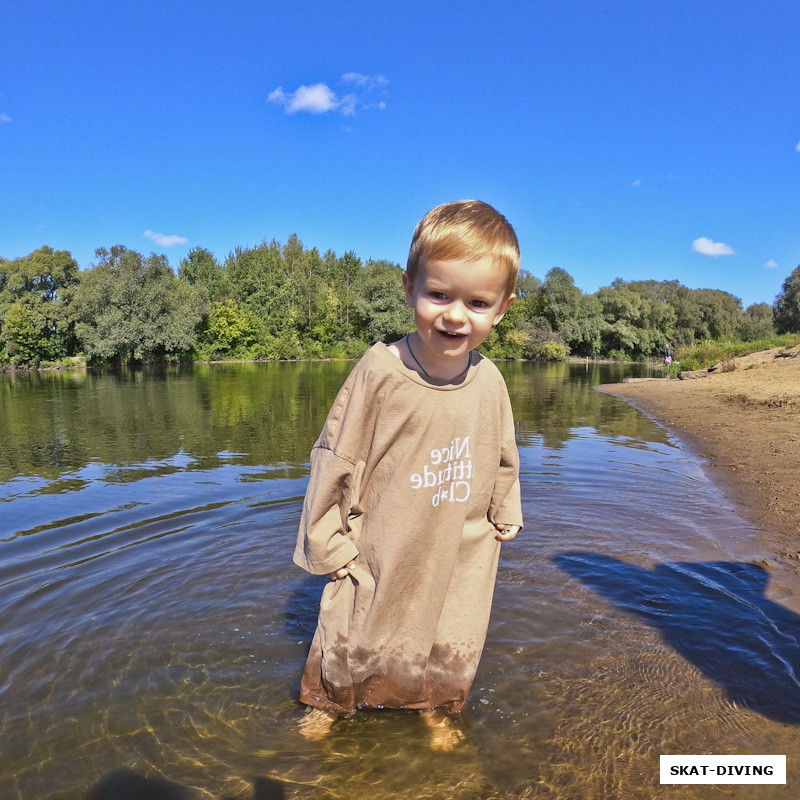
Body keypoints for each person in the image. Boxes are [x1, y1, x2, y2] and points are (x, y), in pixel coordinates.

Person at [293, 200, 523, 749]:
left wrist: (504, 509)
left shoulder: (490, 380)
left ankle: (436, 705)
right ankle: (330, 701)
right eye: (438, 294)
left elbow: (503, 452)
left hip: (459, 538)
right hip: (381, 537)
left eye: (477, 302)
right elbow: (336, 457)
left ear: (502, 309)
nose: (455, 315)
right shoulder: (381, 372)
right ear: (409, 287)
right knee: (355, 619)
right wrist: (328, 543)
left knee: (453, 623)